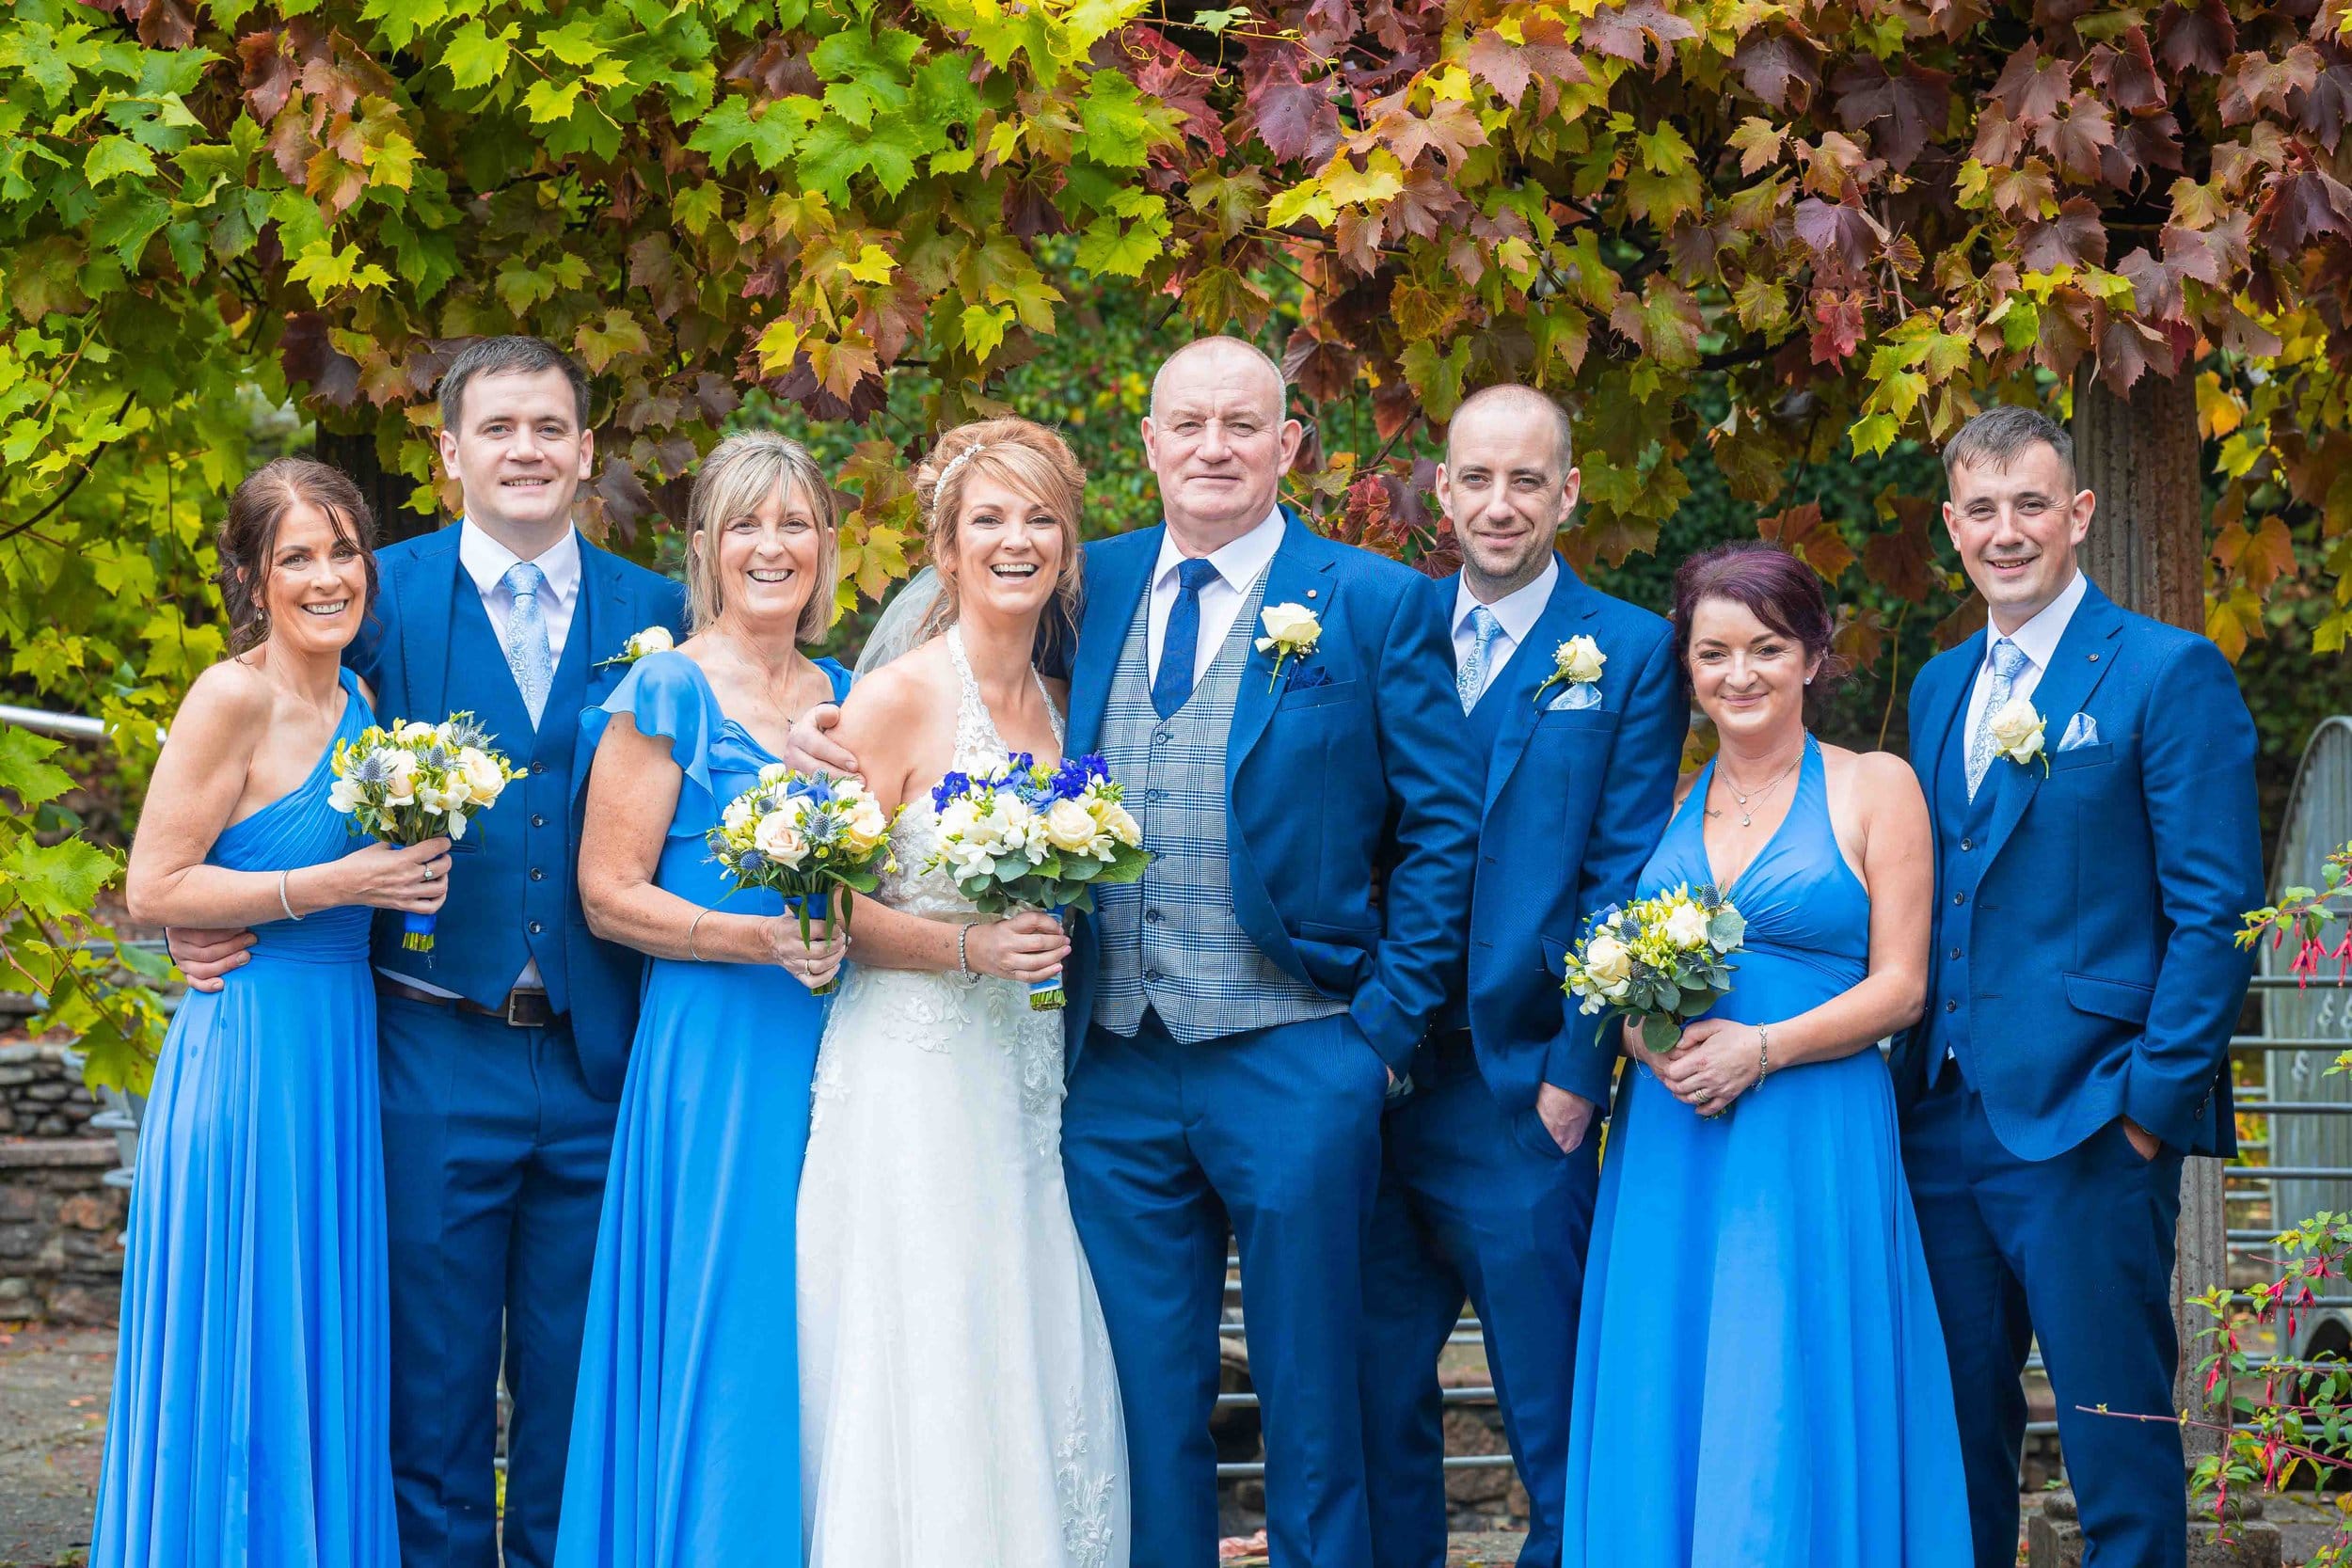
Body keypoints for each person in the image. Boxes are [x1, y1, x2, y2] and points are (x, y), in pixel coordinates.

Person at [792, 338, 1480, 1567]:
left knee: (1317, 1400)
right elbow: (958, 699)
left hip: (1298, 1054)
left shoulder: (1373, 601)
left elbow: (1443, 828)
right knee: (1136, 1409)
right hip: (1107, 1067)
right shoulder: (1087, 585)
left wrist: (1379, 1034)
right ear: (1151, 444)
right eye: (1188, 424)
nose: (1214, 447)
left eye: (1242, 424)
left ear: (1288, 446)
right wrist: (816, 726)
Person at [167, 336, 688, 1568]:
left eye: (550, 427)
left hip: (601, 1058)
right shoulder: (370, 596)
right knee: (429, 1401)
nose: (526, 450)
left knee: (577, 1397)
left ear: (587, 450)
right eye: (498, 428)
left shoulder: (655, 612)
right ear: (449, 451)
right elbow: (263, 753)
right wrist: (219, 897)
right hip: (423, 1051)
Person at [1896, 405, 2260, 1568]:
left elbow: (2215, 912)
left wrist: (2149, 1110)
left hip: (2093, 1121)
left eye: (2032, 505)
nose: (2009, 533)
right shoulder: (1940, 686)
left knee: (2116, 1445)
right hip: (1940, 1125)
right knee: (1953, 1442)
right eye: (1984, 510)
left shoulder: (2167, 671)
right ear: (1953, 524)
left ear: (2079, 515)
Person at [1562, 541, 1971, 1565]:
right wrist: (1649, 1044)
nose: (1737, 673)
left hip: (1809, 1129)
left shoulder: (1877, 786)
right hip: (1672, 1130)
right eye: (1713, 652)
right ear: (1687, 668)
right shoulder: (1658, 803)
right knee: (1676, 1372)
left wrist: (1763, 1048)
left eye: (1765, 647)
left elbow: (1902, 985)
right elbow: (1610, 973)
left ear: (1811, 654)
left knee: (1788, 1376)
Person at [1358, 385, 1683, 1568]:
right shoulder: (1375, 627)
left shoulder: (1632, 652)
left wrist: (1574, 1074)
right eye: (1477, 479)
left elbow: (1620, 876)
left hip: (1520, 1096)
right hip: (1372, 1086)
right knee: (1368, 1408)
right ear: (1441, 489)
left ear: (1567, 493)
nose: (1500, 505)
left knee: (1552, 1416)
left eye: (1527, 480)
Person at [792, 418, 1127, 1566]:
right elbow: (823, 905)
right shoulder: (894, 698)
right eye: (988, 517)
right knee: (931, 1329)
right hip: (914, 1068)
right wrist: (966, 951)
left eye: (1040, 517)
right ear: (943, 548)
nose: (1016, 538)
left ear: (1069, 545)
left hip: (1025, 1077)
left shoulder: (1067, 707)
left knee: (1017, 1326)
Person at [102, 459, 448, 1566]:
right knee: (241, 1351)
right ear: (254, 577)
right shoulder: (231, 696)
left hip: (338, 1064)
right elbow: (154, 887)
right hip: (248, 1056)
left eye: (343, 551)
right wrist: (330, 884)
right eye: (297, 555)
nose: (326, 575)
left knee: (318, 1346)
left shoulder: (364, 704)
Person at [552, 432, 851, 1567]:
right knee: (729, 1325)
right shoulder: (666, 685)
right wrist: (754, 938)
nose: (771, 546)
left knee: (820, 1319)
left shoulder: (851, 693)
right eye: (745, 525)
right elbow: (605, 893)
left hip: (835, 1047)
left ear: (827, 546)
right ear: (704, 549)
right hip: (714, 1057)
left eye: (794, 524)